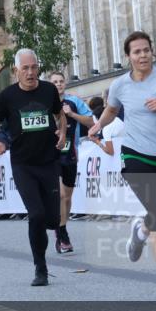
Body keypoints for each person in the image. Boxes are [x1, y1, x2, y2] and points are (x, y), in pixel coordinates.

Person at [89, 31, 156, 304]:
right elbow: (112, 110)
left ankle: (140, 232)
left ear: (152, 52)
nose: (143, 56)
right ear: (128, 57)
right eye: (137, 52)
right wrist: (98, 125)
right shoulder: (120, 85)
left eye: (146, 50)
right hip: (136, 156)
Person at [0, 49, 66, 286]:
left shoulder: (49, 90)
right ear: (16, 71)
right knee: (37, 215)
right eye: (25, 69)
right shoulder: (7, 96)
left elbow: (60, 115)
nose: (30, 73)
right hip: (23, 165)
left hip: (49, 162)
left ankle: (47, 239)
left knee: (51, 219)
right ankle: (40, 267)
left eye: (34, 68)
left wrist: (62, 132)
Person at [49, 72, 92, 254]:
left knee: (67, 196)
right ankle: (62, 233)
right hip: (51, 155)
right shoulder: (45, 102)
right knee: (59, 195)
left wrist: (72, 114)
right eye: (55, 82)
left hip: (70, 153)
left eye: (61, 81)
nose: (58, 84)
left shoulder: (74, 102)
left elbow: (90, 121)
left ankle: (62, 226)